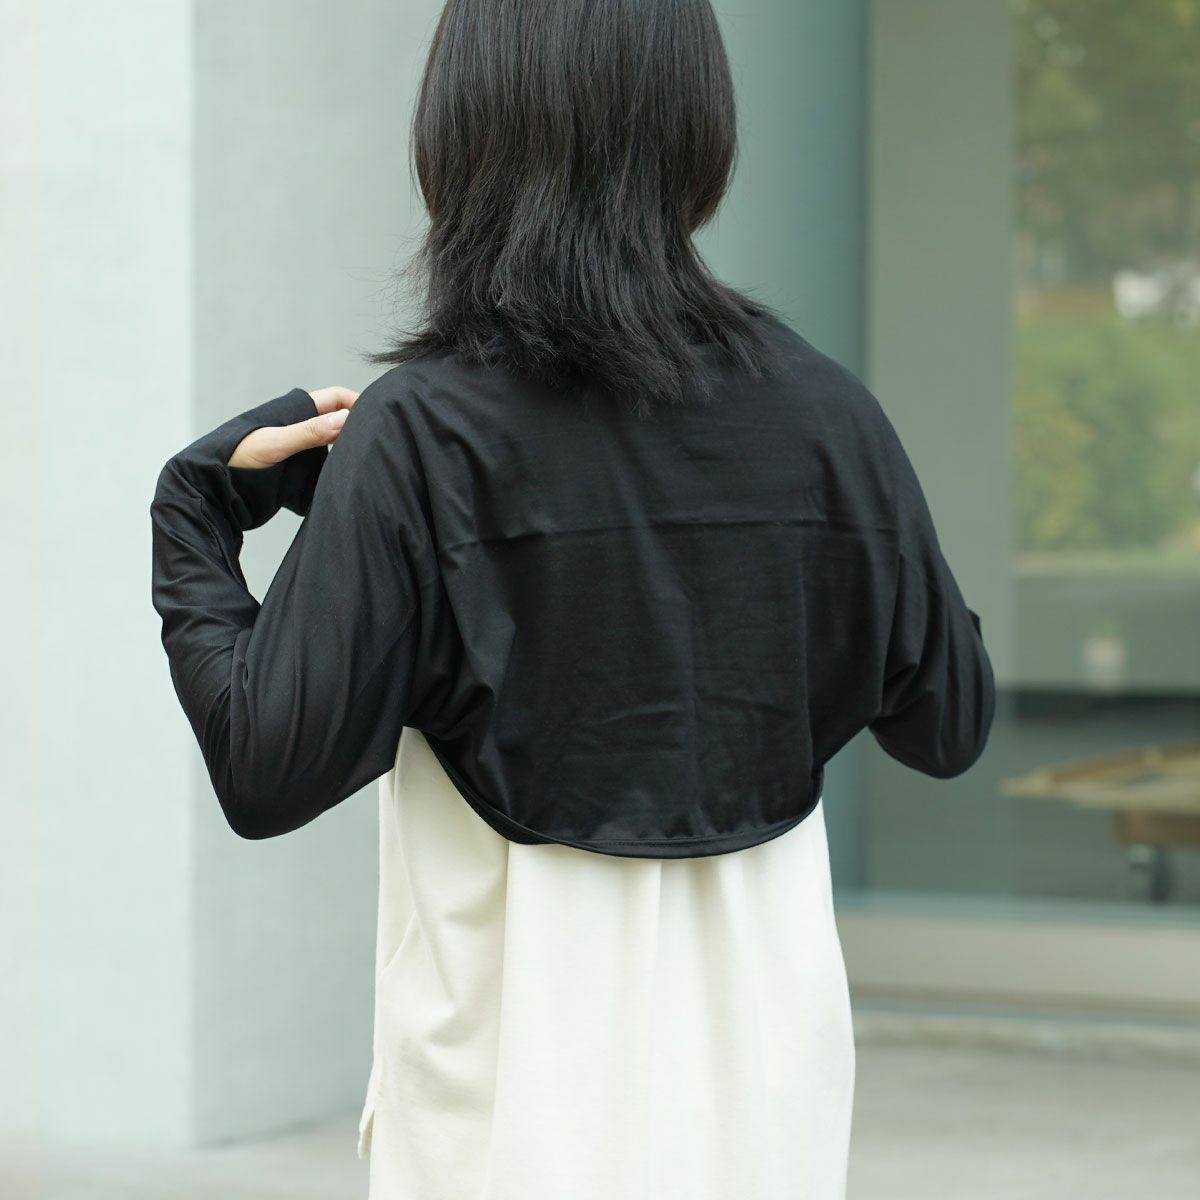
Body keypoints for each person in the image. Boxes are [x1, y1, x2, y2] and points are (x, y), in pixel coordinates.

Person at [149, 1, 996, 1196]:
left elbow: (268, 768)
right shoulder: (826, 413)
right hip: (766, 1108)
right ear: (697, 124)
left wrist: (194, 512)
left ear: (462, 124)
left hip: (510, 1111)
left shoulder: (425, 436)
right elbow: (949, 723)